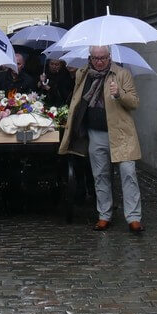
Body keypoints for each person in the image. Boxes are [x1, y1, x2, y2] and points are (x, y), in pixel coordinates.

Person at [58, 46, 144, 233]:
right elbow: (76, 100)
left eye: (103, 58)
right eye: (96, 58)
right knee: (100, 175)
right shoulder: (83, 74)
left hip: (121, 133)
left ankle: (134, 217)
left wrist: (119, 94)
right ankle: (104, 215)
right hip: (95, 132)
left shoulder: (121, 74)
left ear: (109, 57)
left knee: (128, 173)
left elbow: (135, 102)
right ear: (90, 57)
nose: (99, 61)